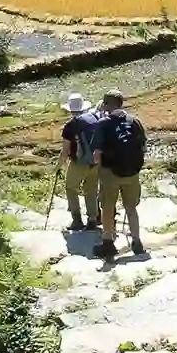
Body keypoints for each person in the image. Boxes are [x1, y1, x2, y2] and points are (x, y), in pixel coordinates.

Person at [93, 89, 148, 258]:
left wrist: (100, 169)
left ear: (106, 104)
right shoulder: (135, 121)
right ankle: (137, 242)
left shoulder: (103, 123)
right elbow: (143, 147)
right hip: (132, 172)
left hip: (110, 172)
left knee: (108, 207)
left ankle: (108, 243)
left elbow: (96, 154)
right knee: (131, 208)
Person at [60, 93, 103, 231]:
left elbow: (65, 150)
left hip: (79, 162)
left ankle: (77, 220)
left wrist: (58, 166)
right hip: (96, 161)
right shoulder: (94, 117)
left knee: (71, 188)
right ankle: (92, 220)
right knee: (91, 190)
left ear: (70, 109)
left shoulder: (70, 125)